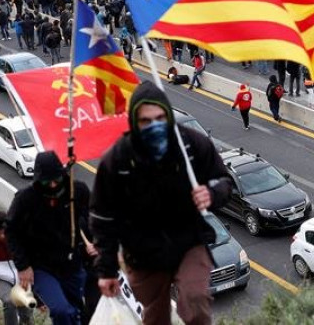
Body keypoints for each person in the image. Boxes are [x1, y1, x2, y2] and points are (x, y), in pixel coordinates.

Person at [90, 81, 232, 325]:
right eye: (146, 121)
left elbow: (224, 180)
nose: (154, 126)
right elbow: (103, 218)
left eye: (160, 118)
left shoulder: (190, 145)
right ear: (135, 122)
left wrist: (212, 193)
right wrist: (106, 270)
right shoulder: (118, 160)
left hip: (189, 241)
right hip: (142, 252)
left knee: (196, 299)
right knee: (155, 316)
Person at [7, 151, 90, 325]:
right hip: (41, 266)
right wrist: (23, 266)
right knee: (61, 310)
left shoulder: (77, 191)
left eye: (57, 180)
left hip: (71, 262)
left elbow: (93, 219)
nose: (52, 185)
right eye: (46, 182)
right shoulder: (25, 199)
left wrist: (93, 243)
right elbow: (11, 231)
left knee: (76, 310)